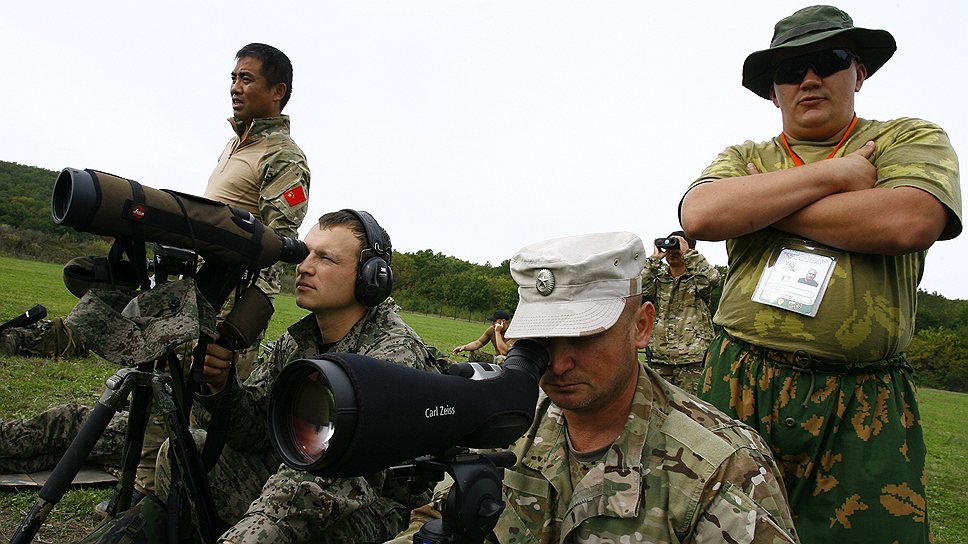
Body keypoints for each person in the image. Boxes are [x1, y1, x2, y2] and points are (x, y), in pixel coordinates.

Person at [679, 6, 961, 543]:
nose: (808, 79)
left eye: (827, 60)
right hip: (741, 381)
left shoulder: (906, 139)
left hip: (861, 400)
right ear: (773, 91)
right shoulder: (746, 154)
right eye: (790, 69)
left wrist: (766, 204)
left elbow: (909, 219)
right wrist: (838, 176)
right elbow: (702, 215)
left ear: (858, 72)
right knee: (719, 531)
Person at [389, 232, 798, 543]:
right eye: (542, 340)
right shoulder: (505, 421)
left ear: (641, 326)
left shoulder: (723, 468)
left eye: (584, 338)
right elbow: (432, 521)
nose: (559, 364)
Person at [154, 210, 439, 543]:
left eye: (326, 259)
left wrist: (253, 531)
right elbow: (256, 431)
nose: (304, 267)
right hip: (296, 477)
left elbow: (338, 475)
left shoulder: (393, 352)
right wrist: (220, 386)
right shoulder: (296, 341)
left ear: (370, 277)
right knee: (187, 451)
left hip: (371, 506)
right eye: (305, 254)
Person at [642, 230, 720, 394]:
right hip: (660, 359)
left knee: (695, 411)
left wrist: (688, 253)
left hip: (693, 360)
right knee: (660, 409)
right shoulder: (658, 281)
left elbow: (713, 279)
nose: (672, 252)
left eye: (676, 247)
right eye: (669, 248)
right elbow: (638, 287)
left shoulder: (698, 281)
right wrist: (655, 258)